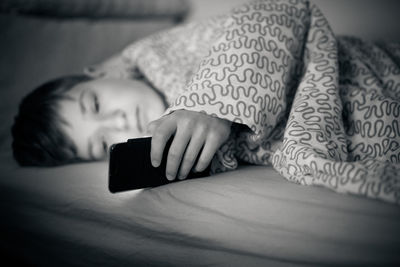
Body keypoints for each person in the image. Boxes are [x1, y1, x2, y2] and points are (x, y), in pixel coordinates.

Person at [11, 0, 400, 204]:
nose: (117, 120)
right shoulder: (162, 151)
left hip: (370, 77)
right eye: (100, 142)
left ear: (100, 72)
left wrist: (212, 104)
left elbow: (278, 11)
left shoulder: (163, 52)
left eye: (94, 105)